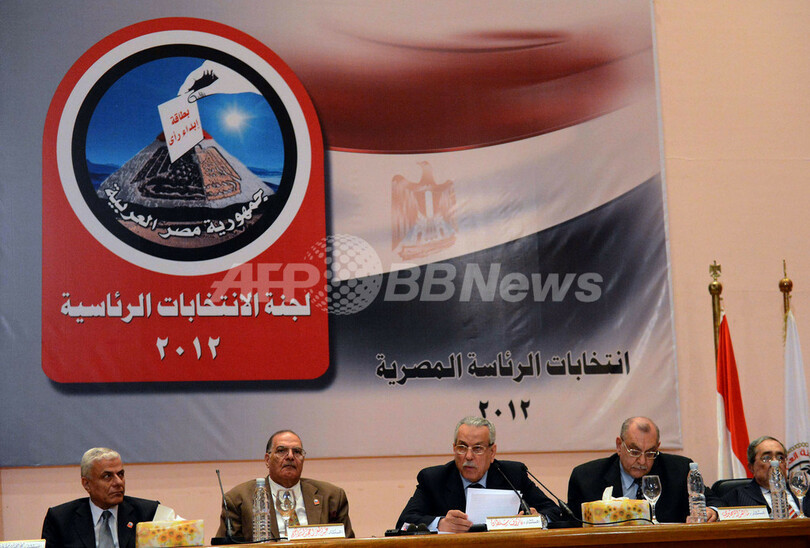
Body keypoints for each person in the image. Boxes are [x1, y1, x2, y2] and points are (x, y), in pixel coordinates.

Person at [396, 416, 564, 532]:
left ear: (492, 452)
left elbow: (555, 512)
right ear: (454, 448)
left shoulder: (512, 475)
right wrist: (440, 524)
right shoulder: (434, 479)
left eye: (477, 448)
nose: (468, 456)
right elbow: (404, 522)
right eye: (462, 447)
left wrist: (537, 519)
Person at [567, 416, 722, 524]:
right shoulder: (586, 478)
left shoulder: (679, 470)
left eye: (650, 453)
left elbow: (715, 501)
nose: (642, 461)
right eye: (634, 451)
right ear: (619, 446)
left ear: (658, 447)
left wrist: (711, 511)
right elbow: (570, 526)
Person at [217, 430, 354, 540]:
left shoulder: (332, 496)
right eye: (281, 451)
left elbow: (349, 544)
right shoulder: (238, 499)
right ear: (267, 460)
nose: (290, 456)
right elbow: (226, 546)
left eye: (297, 452)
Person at [41, 448, 162, 548]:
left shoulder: (149, 514)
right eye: (107, 476)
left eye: (120, 474)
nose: (118, 482)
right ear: (86, 484)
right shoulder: (60, 519)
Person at [721, 435, 808, 517]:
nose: (775, 462)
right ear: (751, 467)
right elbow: (718, 508)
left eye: (780, 458)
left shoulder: (804, 491)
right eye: (766, 458)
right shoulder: (737, 496)